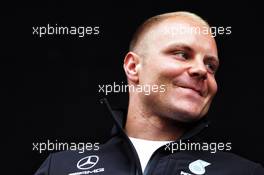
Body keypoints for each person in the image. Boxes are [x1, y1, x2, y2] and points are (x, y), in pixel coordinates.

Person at [34, 11, 264, 175]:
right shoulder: (61, 167)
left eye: (211, 65)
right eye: (182, 54)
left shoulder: (242, 171)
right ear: (133, 67)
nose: (201, 70)